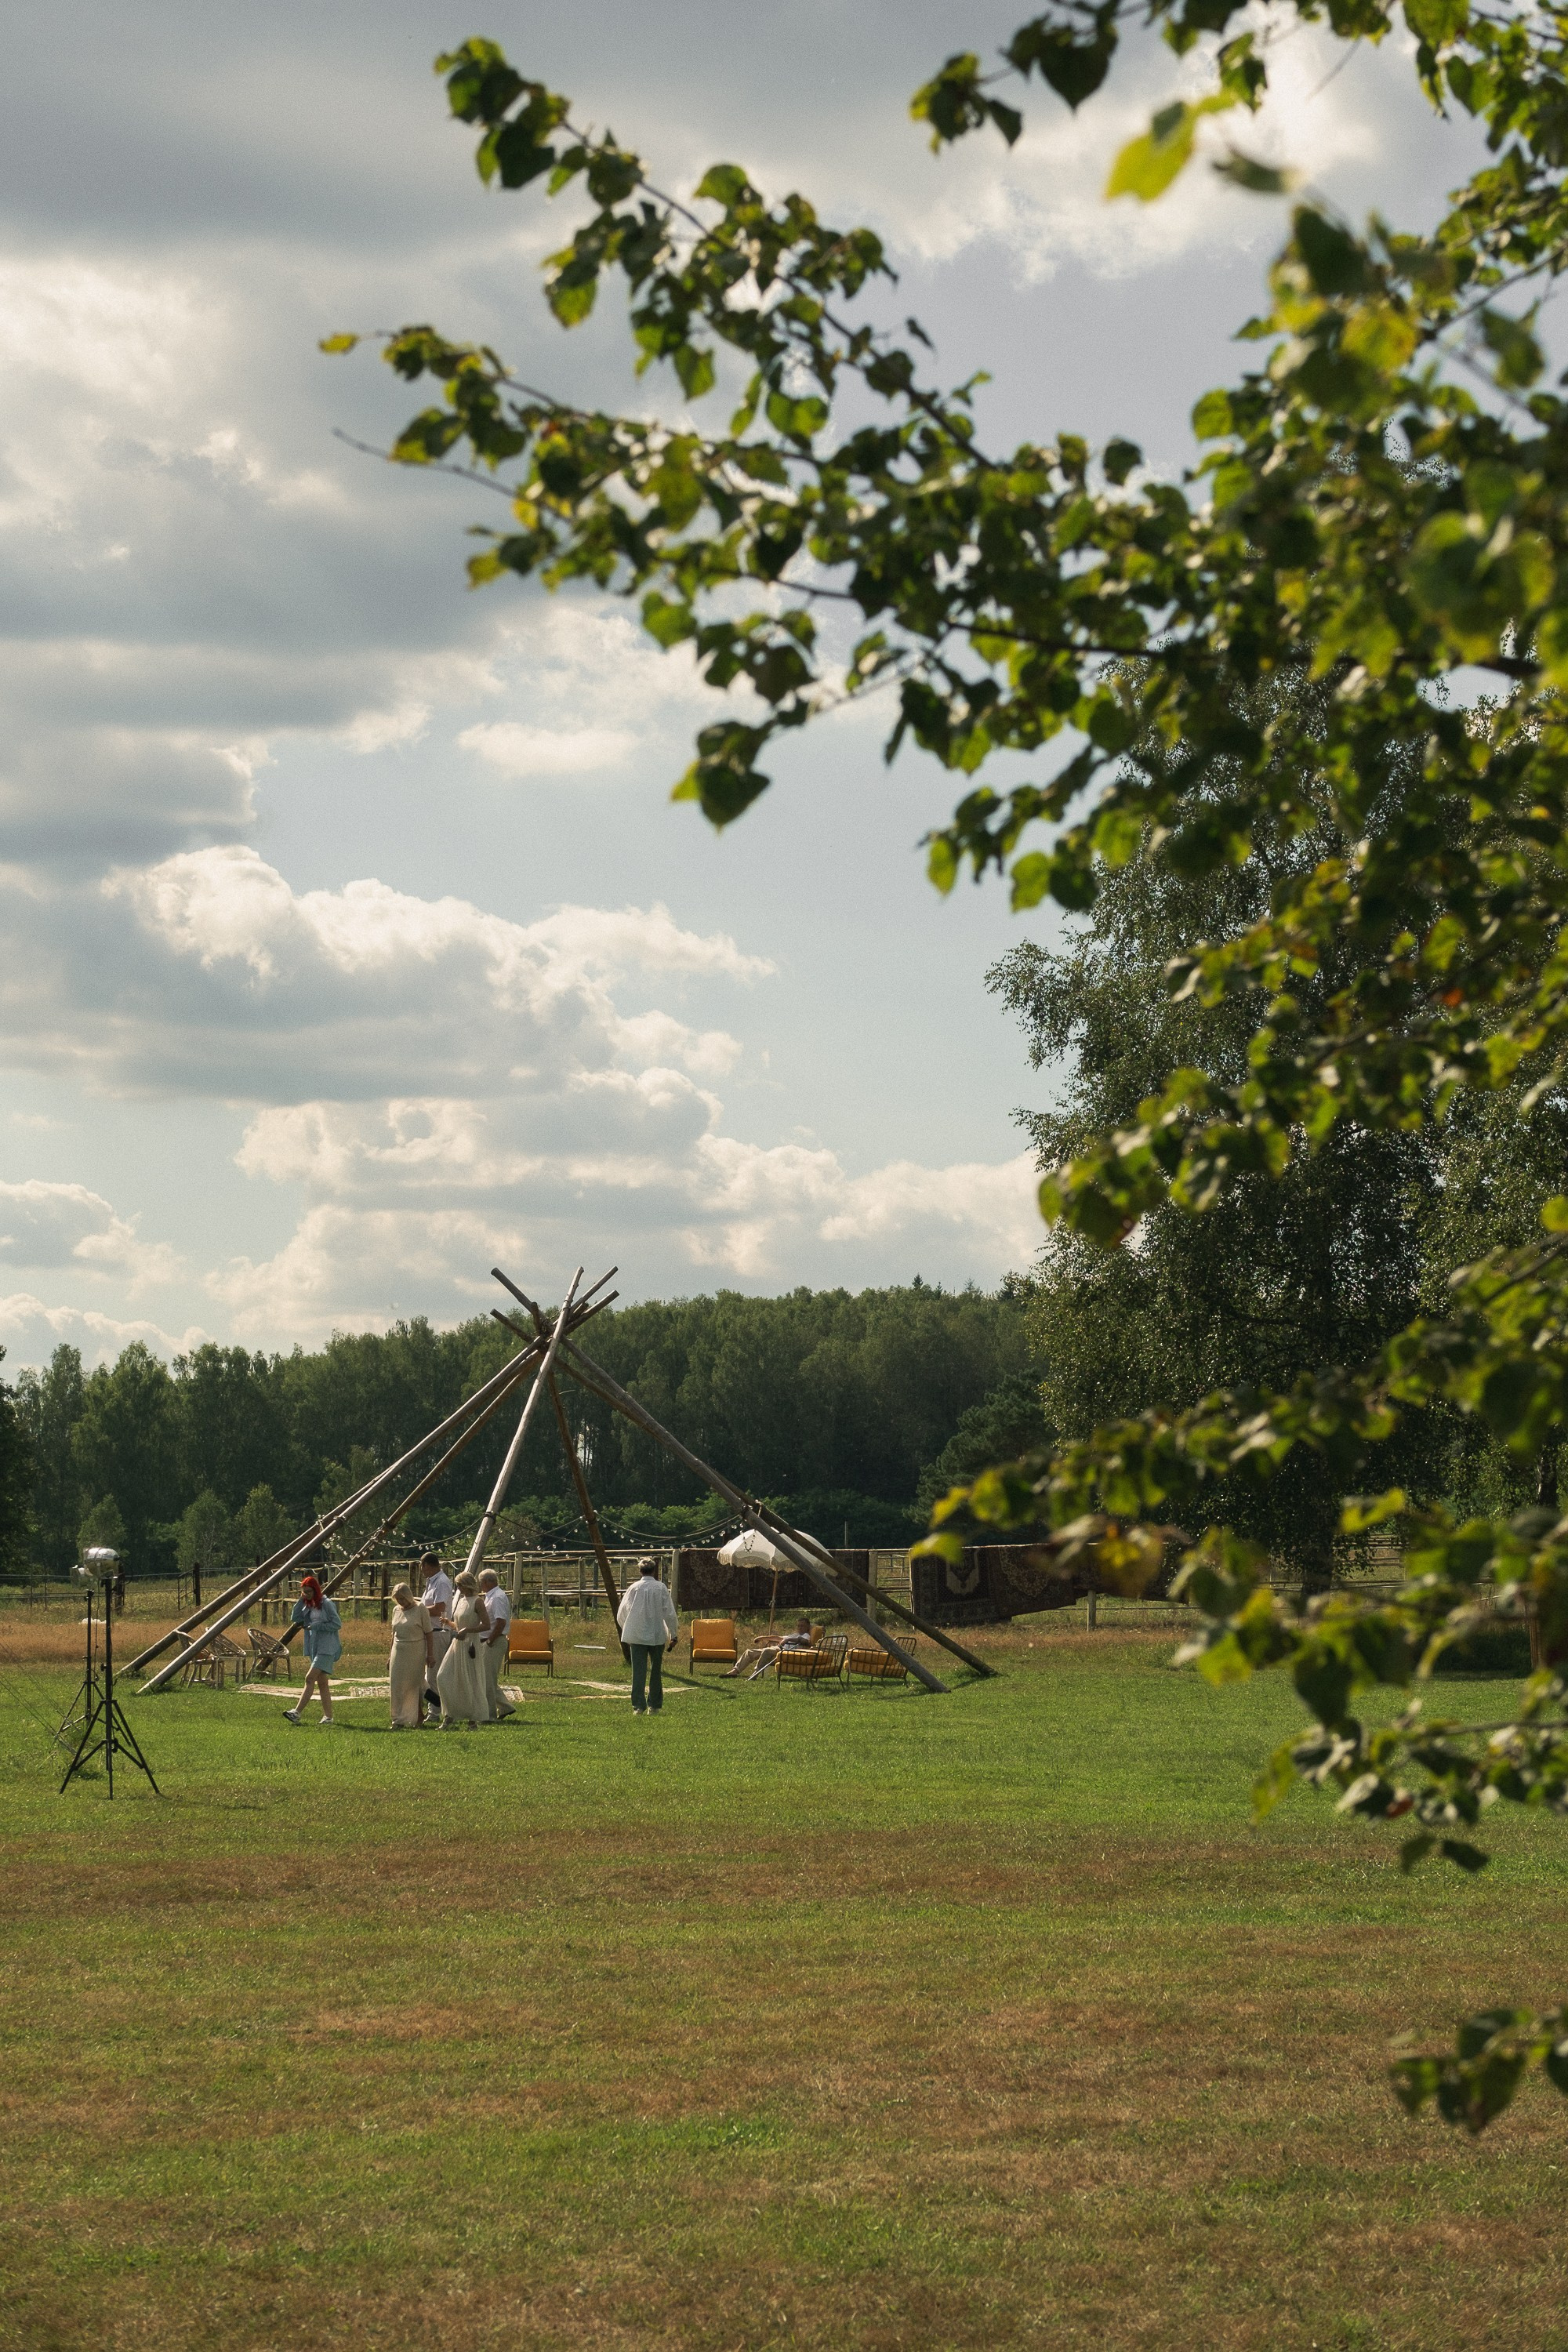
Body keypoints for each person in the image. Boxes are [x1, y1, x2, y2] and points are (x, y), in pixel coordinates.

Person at [615, 1558, 679, 1716]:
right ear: (654, 1570)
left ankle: (638, 1706)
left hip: (636, 1636)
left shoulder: (633, 1588)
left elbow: (622, 1613)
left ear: (640, 1571)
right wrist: (673, 1634)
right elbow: (670, 1613)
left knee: (638, 1672)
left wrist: (628, 1628)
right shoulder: (661, 1588)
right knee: (656, 1671)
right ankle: (654, 1706)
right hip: (657, 1635)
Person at [285, 1573, 343, 1726]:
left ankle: (296, 1713)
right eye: (305, 1592)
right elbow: (295, 1618)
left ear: (316, 1590)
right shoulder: (307, 1604)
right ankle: (328, 1717)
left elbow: (337, 1624)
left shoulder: (327, 1604)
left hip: (327, 1646)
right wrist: (301, 1599)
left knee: (309, 1678)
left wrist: (318, 1626)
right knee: (322, 1683)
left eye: (309, 1592)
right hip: (314, 1645)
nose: (307, 1594)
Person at [434, 1569, 491, 1727]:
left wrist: (468, 1631)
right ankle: (450, 1712)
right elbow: (459, 1625)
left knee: (470, 1680)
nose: (458, 1589)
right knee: (443, 1676)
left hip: (470, 1644)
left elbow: (486, 1625)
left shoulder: (477, 1601)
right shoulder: (460, 1601)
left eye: (460, 1586)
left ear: (467, 1585)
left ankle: (472, 1718)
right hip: (457, 1643)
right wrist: (448, 1623)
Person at [387, 1581, 434, 1729]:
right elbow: (394, 1634)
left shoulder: (420, 1608)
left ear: (408, 1596)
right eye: (398, 1599)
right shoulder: (396, 1610)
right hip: (398, 1650)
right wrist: (390, 1656)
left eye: (403, 1598)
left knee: (413, 1685)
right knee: (397, 1685)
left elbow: (429, 1633)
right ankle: (397, 1719)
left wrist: (430, 1654)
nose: (401, 1602)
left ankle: (416, 1717)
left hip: (415, 1650)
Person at [726, 1616, 816, 1682]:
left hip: (782, 1652)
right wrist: (762, 1638)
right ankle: (735, 1671)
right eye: (798, 1626)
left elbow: (803, 1641)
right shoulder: (795, 1634)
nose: (800, 1628)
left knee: (767, 1650)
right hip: (776, 1649)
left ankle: (755, 1674)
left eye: (802, 1626)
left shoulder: (806, 1635)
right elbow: (778, 1638)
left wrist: (789, 1639)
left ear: (808, 1627)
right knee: (749, 1652)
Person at [420, 1551, 455, 1719]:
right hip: (429, 1631)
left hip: (438, 1631)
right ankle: (433, 1707)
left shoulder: (441, 1582)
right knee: (427, 1674)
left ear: (426, 1565)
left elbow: (439, 1608)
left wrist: (418, 1611)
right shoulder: (431, 1582)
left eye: (422, 1567)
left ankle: (436, 1711)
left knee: (434, 1674)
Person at [477, 1567, 514, 1721]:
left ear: (486, 1582)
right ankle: (506, 1707)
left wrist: (490, 1640)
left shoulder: (497, 1597)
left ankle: (489, 1715)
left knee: (487, 1680)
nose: (480, 1586)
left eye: (481, 1582)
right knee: (487, 1678)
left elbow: (501, 1621)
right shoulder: (490, 1596)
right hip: (489, 1640)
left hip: (494, 1641)